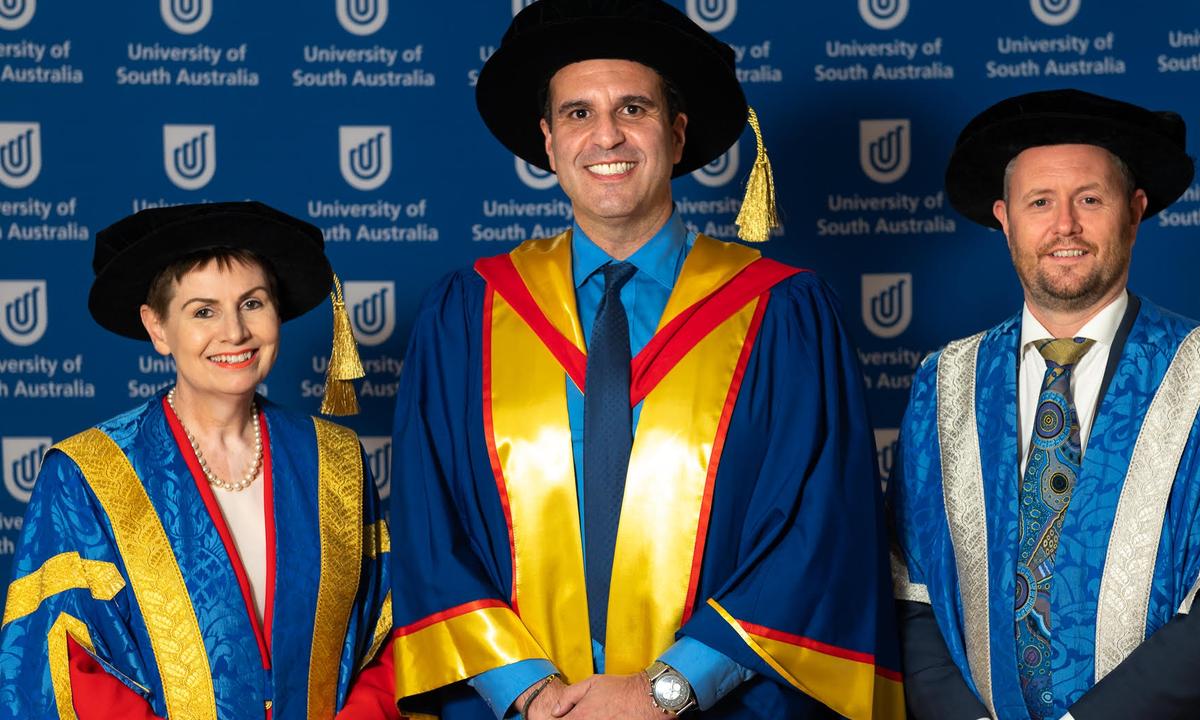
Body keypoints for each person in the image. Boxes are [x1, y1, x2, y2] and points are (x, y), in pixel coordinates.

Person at [387, 1, 902, 718]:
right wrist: (531, 696)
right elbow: (425, 525)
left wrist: (667, 691)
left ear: (677, 132)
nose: (606, 135)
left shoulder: (782, 315)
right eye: (577, 114)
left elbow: (821, 534)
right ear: (547, 141)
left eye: (633, 107)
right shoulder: (465, 315)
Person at [890, 88, 1200, 720]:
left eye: (1090, 200)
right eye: (1039, 202)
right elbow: (911, 595)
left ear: (1134, 210)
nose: (1064, 224)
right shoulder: (945, 385)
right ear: (1004, 219)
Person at [0, 202, 398, 719]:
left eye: (252, 303)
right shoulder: (88, 475)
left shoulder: (335, 461)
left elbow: (384, 633)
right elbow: (68, 666)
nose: (234, 333)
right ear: (158, 327)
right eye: (203, 311)